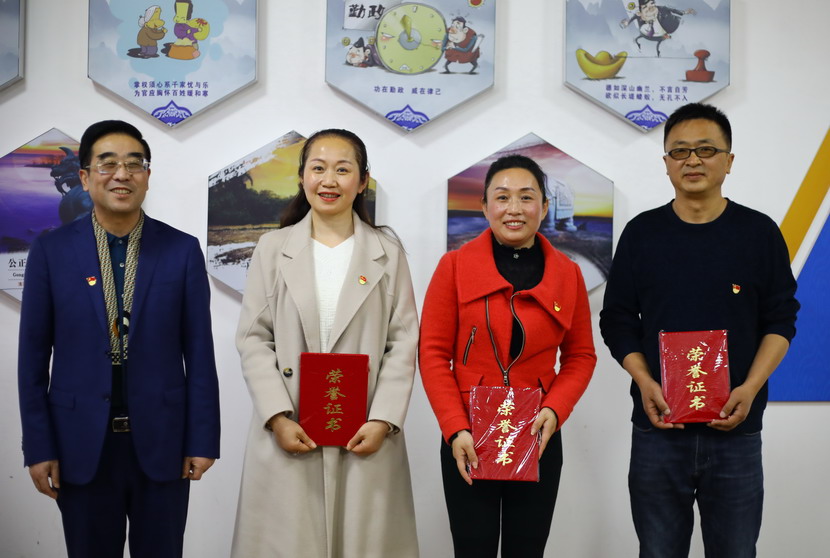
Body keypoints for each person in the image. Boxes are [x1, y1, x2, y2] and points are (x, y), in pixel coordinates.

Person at [600, 103, 799, 558]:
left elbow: (780, 319)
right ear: (666, 162)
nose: (692, 160)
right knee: (657, 551)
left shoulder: (759, 233)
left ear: (729, 161)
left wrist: (750, 387)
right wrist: (644, 380)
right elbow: (617, 319)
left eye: (706, 150)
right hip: (658, 430)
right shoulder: (642, 234)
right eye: (680, 151)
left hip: (736, 431)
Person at [17, 119, 220, 558]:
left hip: (163, 440)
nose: (121, 175)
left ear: (147, 175)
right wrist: (38, 445)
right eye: (107, 164)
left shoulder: (181, 249)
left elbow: (200, 354)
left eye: (134, 164)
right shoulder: (51, 251)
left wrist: (202, 440)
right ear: (85, 177)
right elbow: (31, 360)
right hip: (79, 443)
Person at [232, 129, 419, 558]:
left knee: (364, 541)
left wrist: (383, 419)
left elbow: (403, 342)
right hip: (291, 426)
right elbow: (253, 338)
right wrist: (277, 416)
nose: (329, 180)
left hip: (364, 431)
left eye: (343, 169)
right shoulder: (272, 248)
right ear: (302, 177)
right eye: (318, 168)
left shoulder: (387, 252)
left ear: (363, 180)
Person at [419, 154, 597, 558]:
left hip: (538, 434)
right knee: (472, 549)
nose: (514, 208)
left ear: (544, 207)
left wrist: (554, 410)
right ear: (484, 207)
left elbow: (581, 355)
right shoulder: (453, 267)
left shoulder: (568, 273)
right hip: (468, 436)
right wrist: (455, 428)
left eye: (526, 197)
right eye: (502, 197)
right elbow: (432, 354)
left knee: (527, 549)